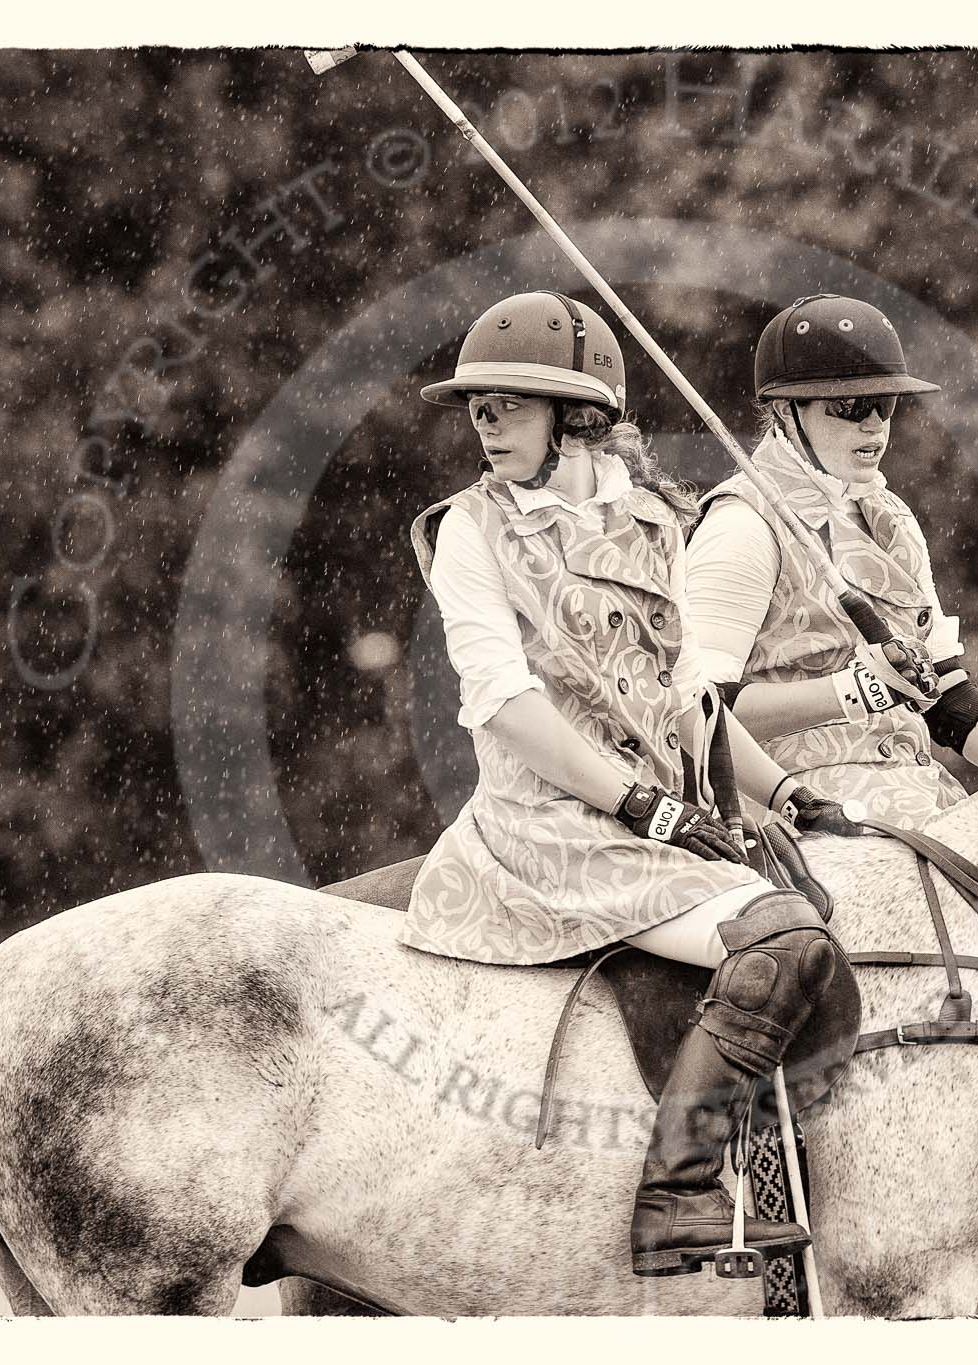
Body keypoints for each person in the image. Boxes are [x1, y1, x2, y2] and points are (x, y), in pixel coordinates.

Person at [403, 291, 861, 1277]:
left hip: (665, 825)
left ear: (576, 417)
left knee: (831, 912)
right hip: (552, 828)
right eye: (477, 411)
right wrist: (635, 800)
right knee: (781, 939)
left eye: (506, 407)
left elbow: (687, 701)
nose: (484, 428)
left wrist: (782, 793)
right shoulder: (467, 532)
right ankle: (677, 1196)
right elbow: (505, 708)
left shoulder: (656, 519)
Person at [687, 294, 978, 827]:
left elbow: (948, 698)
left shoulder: (893, 520)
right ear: (788, 412)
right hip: (798, 822)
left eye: (886, 404)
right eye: (851, 407)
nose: (874, 426)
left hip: (920, 799)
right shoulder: (741, 527)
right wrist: (853, 693)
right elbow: (696, 711)